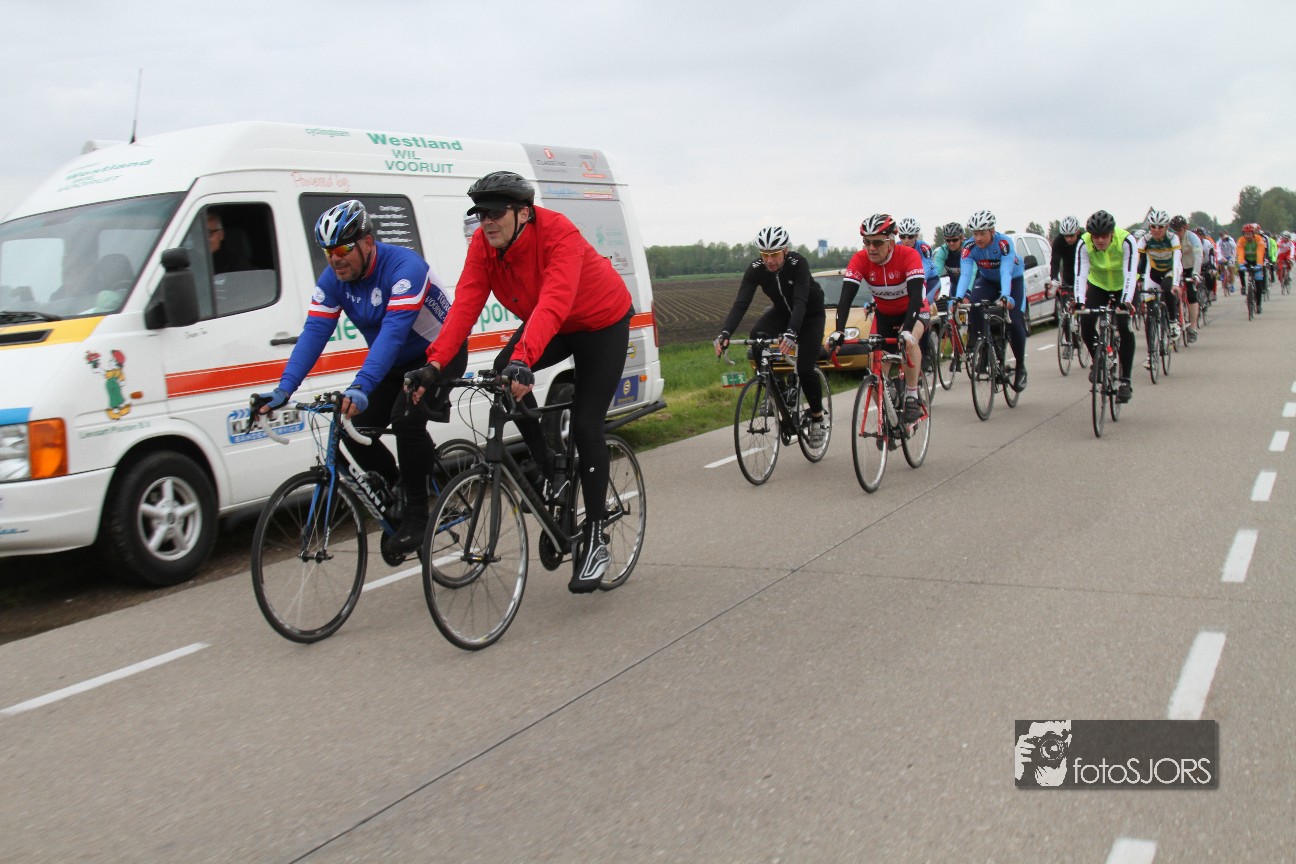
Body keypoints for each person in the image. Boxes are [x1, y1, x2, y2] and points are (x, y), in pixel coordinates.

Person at [405, 171, 634, 593]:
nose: (486, 221)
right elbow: (465, 303)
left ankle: (596, 538)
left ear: (524, 213)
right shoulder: (483, 244)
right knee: (501, 374)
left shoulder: (559, 234)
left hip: (600, 322)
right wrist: (434, 365)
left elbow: (554, 299)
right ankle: (548, 465)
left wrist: (523, 360)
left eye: (495, 212)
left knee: (585, 425)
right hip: (554, 325)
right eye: (480, 213)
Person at [253, 199, 466, 555]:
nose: (334, 259)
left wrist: (361, 386)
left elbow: (393, 334)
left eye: (342, 249)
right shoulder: (334, 280)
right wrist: (284, 389)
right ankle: (401, 489)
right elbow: (314, 332)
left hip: (439, 355)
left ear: (367, 242)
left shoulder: (405, 268)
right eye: (327, 251)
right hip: (392, 361)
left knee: (406, 419)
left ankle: (417, 515)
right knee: (350, 425)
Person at [715, 226, 828, 443]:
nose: (769, 260)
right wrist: (725, 332)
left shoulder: (798, 263)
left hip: (810, 315)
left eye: (774, 254)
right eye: (764, 254)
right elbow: (741, 303)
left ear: (785, 250)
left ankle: (817, 417)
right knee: (757, 336)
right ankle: (777, 388)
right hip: (783, 313)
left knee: (805, 369)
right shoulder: (756, 269)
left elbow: (800, 301)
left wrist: (792, 333)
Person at [828, 213, 929, 423]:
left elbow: (916, 296)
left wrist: (907, 330)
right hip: (885, 315)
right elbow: (845, 299)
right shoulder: (860, 259)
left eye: (877, 242)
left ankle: (912, 396)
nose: (871, 248)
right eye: (866, 242)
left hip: (913, 310)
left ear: (891, 241)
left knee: (909, 342)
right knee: (874, 375)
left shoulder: (908, 255)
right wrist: (839, 331)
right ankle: (889, 421)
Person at [951, 209, 1029, 393]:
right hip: (987, 280)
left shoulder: (1004, 243)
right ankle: (984, 348)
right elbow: (966, 274)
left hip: (1012, 280)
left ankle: (1020, 367)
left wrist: (1006, 296)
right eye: (975, 233)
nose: (978, 238)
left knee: (1015, 321)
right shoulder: (969, 247)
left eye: (982, 234)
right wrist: (959, 297)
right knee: (975, 305)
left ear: (992, 231)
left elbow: (1006, 272)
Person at [1075, 210, 1139, 403]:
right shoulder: (1084, 243)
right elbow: (1080, 274)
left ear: (1112, 232)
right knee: (1086, 323)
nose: (1100, 240)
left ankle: (1125, 381)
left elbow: (1130, 273)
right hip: (1099, 285)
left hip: (1123, 287)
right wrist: (1079, 301)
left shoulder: (1126, 241)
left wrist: (1126, 301)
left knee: (1124, 325)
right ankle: (1099, 360)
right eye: (1096, 236)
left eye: (1104, 236)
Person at [1136, 209, 1183, 341]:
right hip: (1153, 272)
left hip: (1170, 270)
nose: (1156, 230)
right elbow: (1137, 261)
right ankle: (1151, 348)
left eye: (1160, 227)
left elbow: (1176, 260)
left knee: (1167, 288)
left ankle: (1173, 323)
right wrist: (1135, 280)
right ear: (1149, 227)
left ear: (1166, 227)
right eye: (1153, 226)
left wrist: (1175, 284)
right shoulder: (1145, 239)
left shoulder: (1173, 238)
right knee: (1150, 309)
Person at [1048, 216, 1083, 358]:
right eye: (1066, 236)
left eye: (1071, 236)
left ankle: (1082, 330)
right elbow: (1055, 261)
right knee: (1065, 312)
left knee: (1082, 310)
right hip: (1068, 276)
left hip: (1083, 275)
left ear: (1078, 232)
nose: (1068, 239)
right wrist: (1054, 279)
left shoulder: (1084, 240)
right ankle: (1069, 343)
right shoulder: (1059, 241)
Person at [1169, 215, 1202, 343]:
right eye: (1174, 231)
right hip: (1177, 269)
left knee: (1192, 296)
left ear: (1185, 228)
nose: (1177, 233)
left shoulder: (1192, 237)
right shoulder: (1171, 238)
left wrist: (1196, 273)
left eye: (1179, 230)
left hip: (1190, 268)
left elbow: (1198, 255)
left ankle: (1193, 328)